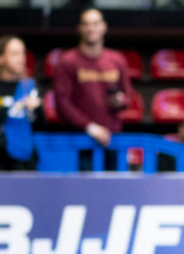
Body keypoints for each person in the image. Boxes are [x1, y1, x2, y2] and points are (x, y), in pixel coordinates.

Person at [53, 8, 134, 157]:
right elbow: (62, 103)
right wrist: (89, 127)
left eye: (95, 23)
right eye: (86, 24)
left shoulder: (117, 60)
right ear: (79, 28)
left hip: (112, 139)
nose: (91, 28)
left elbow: (128, 95)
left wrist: (120, 101)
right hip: (80, 140)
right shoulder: (67, 61)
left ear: (104, 27)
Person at [0, 35, 39, 172]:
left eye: (23, 53)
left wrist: (36, 110)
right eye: (15, 53)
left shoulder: (30, 87)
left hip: (22, 159)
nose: (21, 58)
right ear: (0, 58)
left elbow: (41, 124)